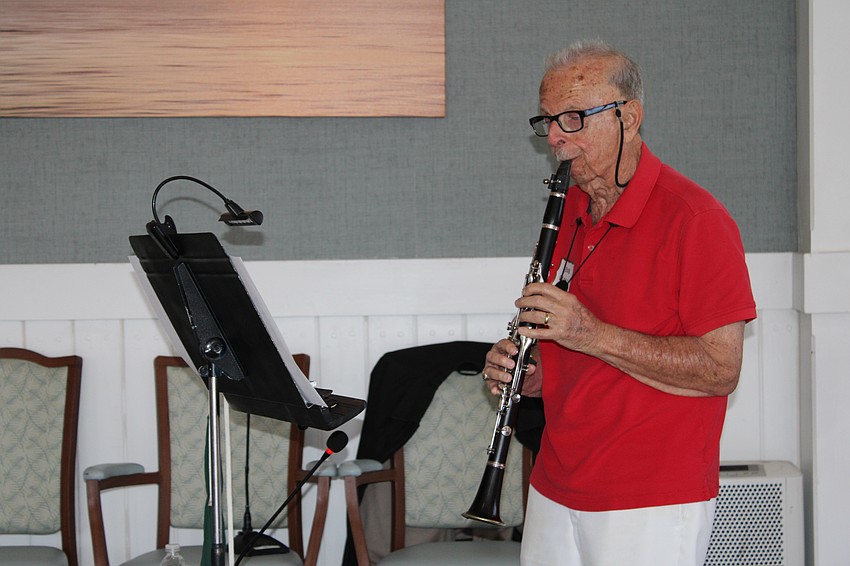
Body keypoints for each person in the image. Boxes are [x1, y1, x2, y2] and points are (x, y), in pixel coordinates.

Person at [482, 40, 757, 566]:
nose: (557, 137)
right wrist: (533, 375)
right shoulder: (569, 211)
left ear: (628, 116)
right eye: (549, 121)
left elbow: (721, 370)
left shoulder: (695, 220)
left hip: (649, 497)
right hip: (556, 481)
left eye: (574, 118)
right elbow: (580, 356)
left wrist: (588, 332)